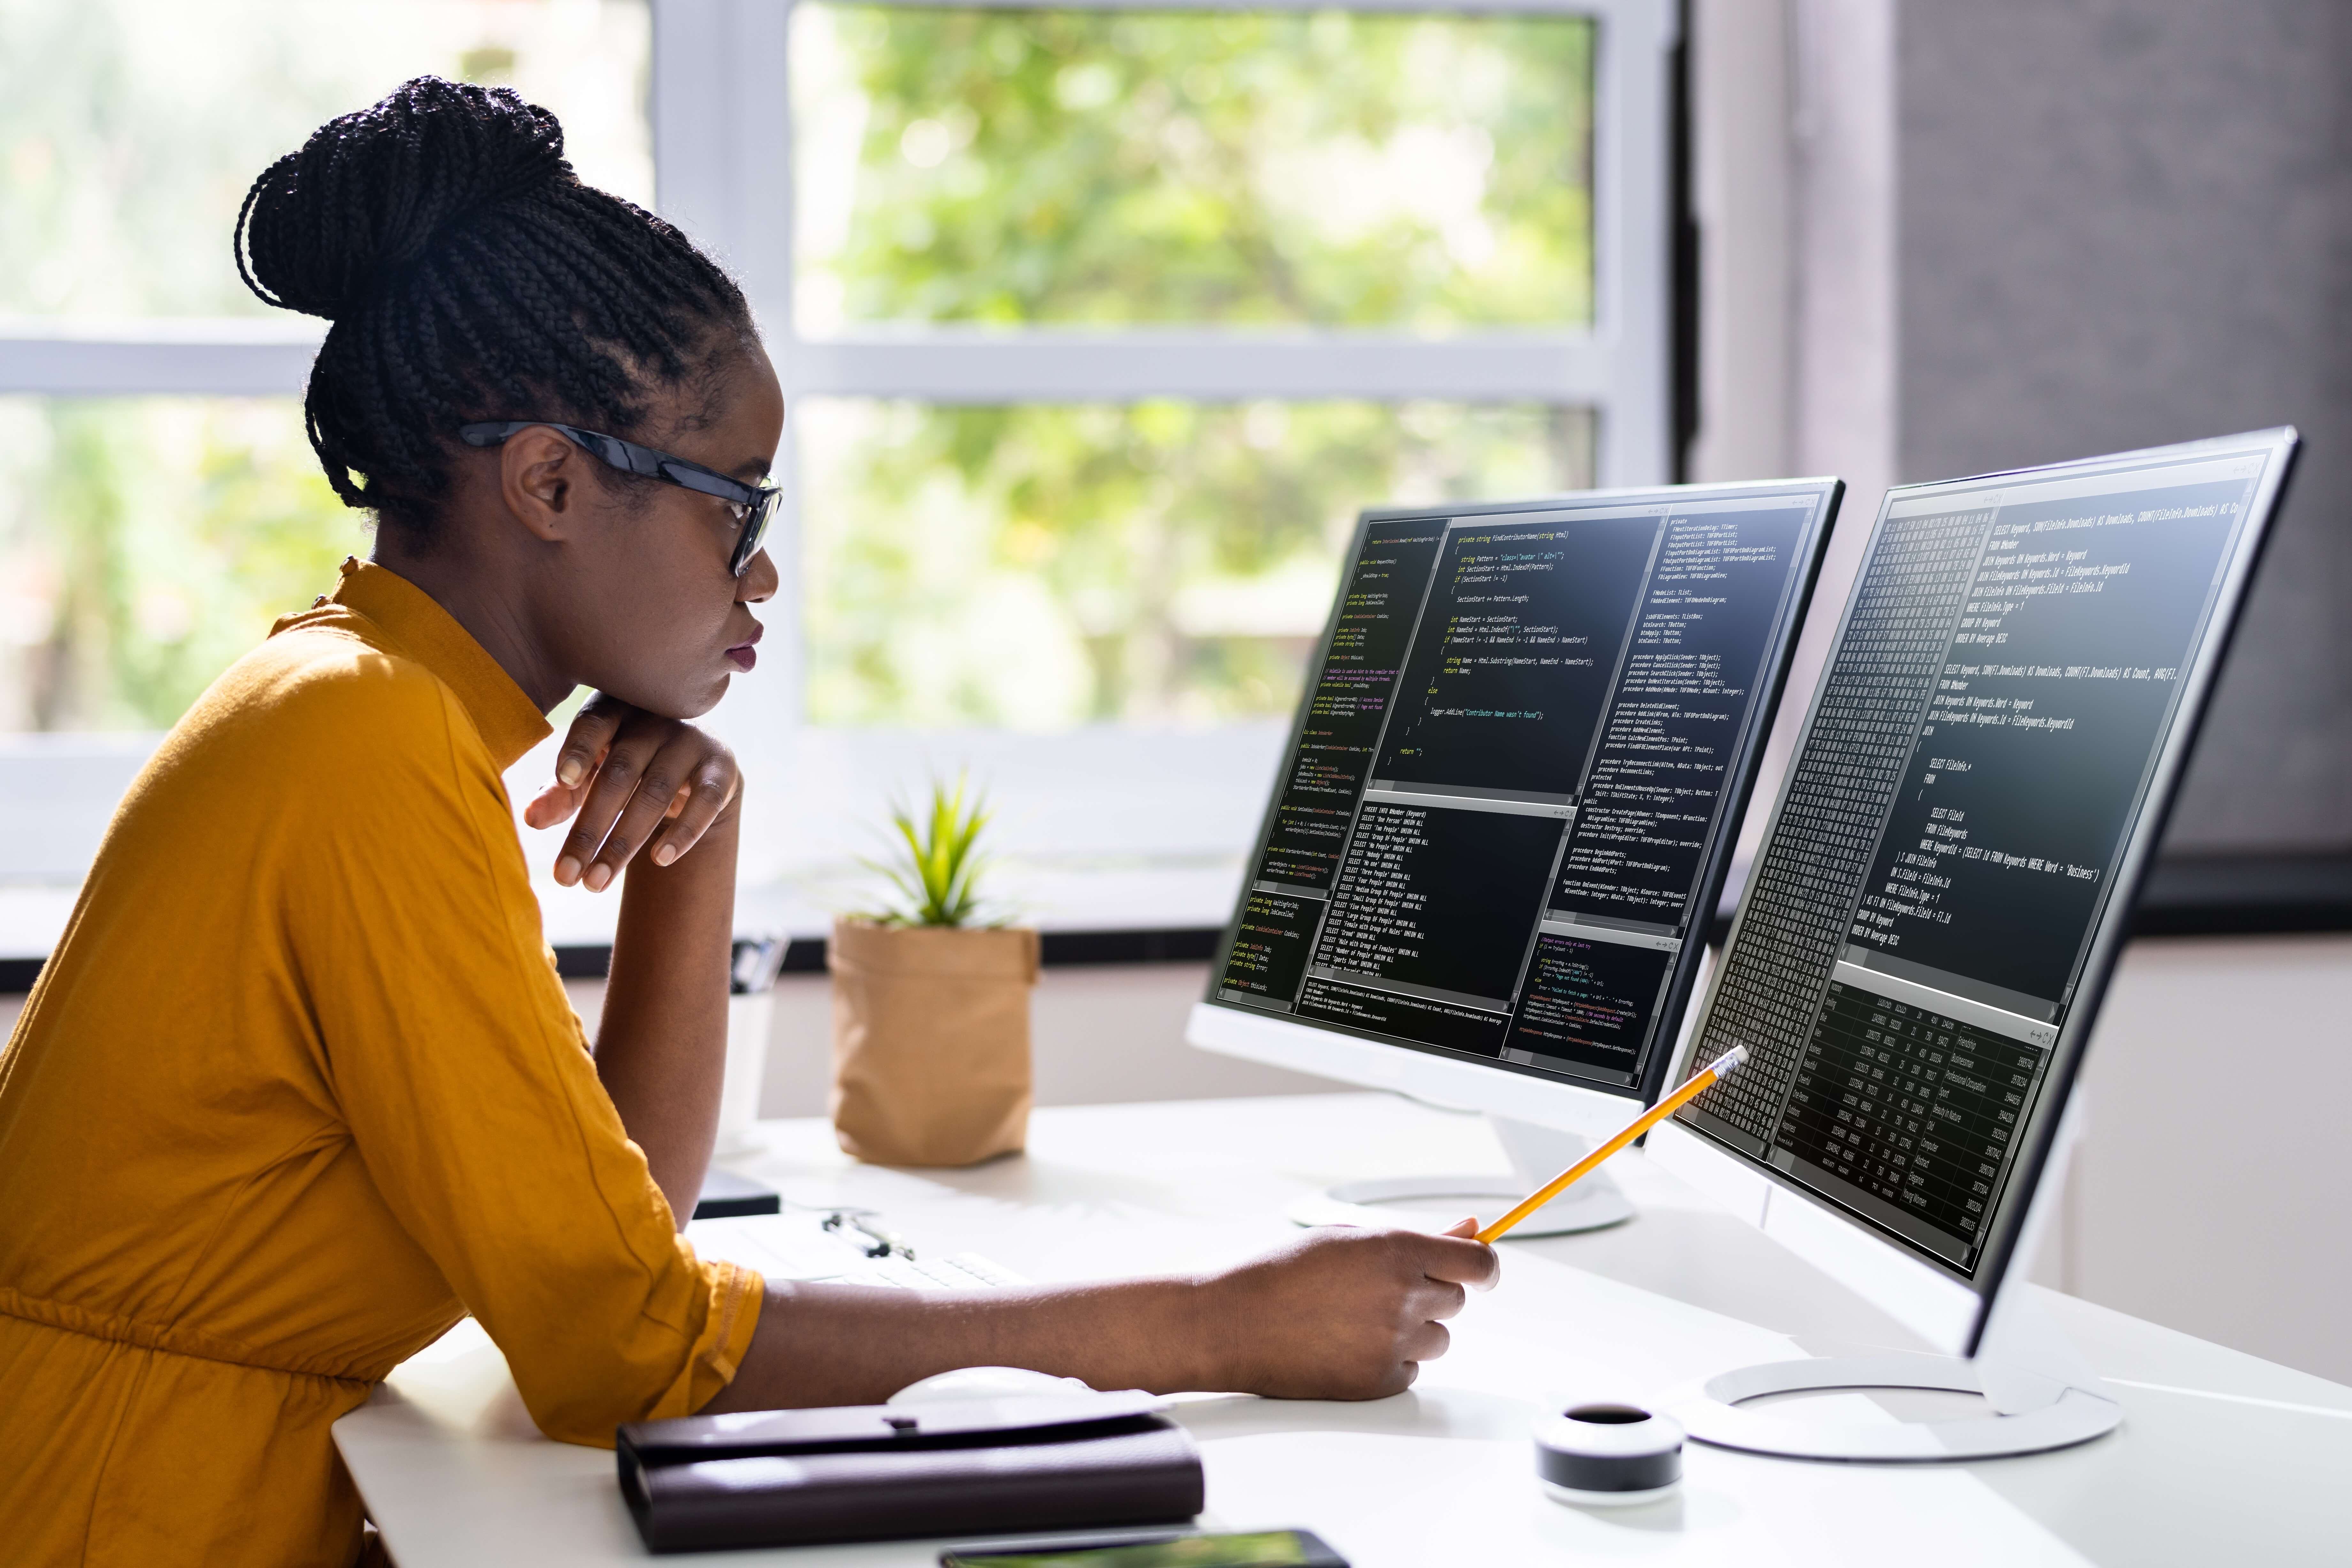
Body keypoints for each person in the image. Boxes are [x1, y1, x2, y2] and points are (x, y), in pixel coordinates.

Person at [0, 78, 1497, 1568]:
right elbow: (622, 1348)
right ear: (552, 481)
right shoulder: (363, 742)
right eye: (740, 504)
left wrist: (693, 851)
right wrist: (1215, 1323)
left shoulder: (355, 699)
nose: (758, 576)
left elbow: (620, 1230)